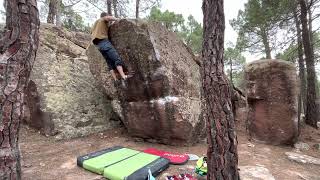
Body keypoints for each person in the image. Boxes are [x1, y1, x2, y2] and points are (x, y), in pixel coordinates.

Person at [90, 12, 130, 83]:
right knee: (116, 58)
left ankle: (115, 79)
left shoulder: (95, 25)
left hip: (98, 46)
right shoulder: (102, 19)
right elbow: (108, 18)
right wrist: (118, 19)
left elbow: (92, 33)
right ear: (105, 16)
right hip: (104, 42)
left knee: (109, 63)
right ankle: (123, 76)